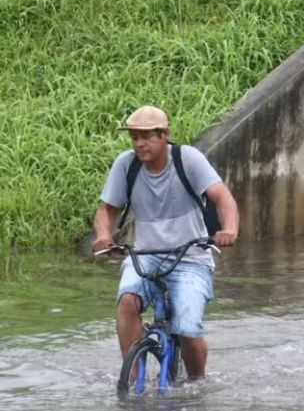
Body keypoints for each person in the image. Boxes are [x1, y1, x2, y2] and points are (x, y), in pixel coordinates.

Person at [91, 106, 239, 379]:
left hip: (191, 257)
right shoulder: (126, 165)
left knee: (187, 329)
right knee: (127, 301)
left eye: (146, 136)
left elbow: (223, 197)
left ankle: (196, 384)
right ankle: (132, 382)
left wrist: (229, 230)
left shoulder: (188, 159)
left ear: (165, 135)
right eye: (134, 137)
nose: (139, 144)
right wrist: (103, 235)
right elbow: (106, 210)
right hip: (145, 254)